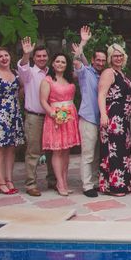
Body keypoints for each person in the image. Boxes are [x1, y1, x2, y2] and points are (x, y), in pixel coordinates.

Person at [71, 26, 107, 198]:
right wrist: (84, 41)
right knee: (88, 154)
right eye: (98, 60)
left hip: (102, 120)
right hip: (88, 118)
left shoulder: (104, 75)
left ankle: (94, 181)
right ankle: (87, 185)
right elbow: (76, 60)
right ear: (93, 60)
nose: (100, 63)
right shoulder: (85, 73)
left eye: (103, 60)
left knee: (98, 154)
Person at [18, 37, 56, 196]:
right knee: (33, 151)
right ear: (34, 58)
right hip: (34, 117)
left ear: (48, 57)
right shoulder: (29, 73)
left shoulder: (51, 73)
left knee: (52, 150)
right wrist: (26, 54)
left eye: (44, 56)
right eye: (38, 56)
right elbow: (22, 68)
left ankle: (53, 180)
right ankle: (31, 184)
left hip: (51, 117)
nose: (41, 58)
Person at [40, 52, 81, 196]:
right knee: (57, 151)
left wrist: (82, 44)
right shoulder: (48, 80)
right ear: (52, 63)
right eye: (57, 61)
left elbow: (81, 65)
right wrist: (53, 113)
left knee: (66, 151)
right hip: (55, 117)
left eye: (63, 62)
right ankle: (59, 182)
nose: (60, 64)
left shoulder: (69, 79)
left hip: (69, 116)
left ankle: (64, 180)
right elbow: (43, 100)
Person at [97, 43, 131, 196]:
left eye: (120, 55)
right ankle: (113, 186)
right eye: (115, 56)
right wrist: (103, 115)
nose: (118, 58)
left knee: (122, 150)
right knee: (114, 150)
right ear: (110, 58)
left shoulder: (121, 73)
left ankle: (124, 184)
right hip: (113, 117)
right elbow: (101, 94)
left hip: (123, 118)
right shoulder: (108, 72)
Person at [0, 47, 25, 195]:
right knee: (0, 149)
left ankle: (9, 179)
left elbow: (20, 92)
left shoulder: (15, 73)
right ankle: (0, 181)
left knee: (11, 149)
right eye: (0, 56)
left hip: (14, 113)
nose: (3, 58)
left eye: (6, 55)